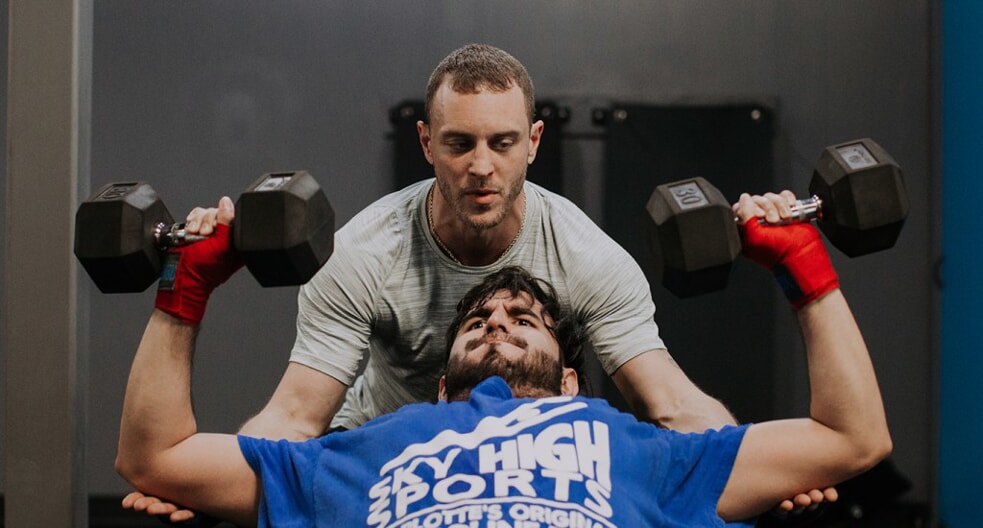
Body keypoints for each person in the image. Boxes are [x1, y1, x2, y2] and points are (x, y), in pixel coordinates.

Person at [123, 43, 833, 521]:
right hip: (383, 451)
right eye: (459, 144)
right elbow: (294, 420)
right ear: (428, 142)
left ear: (532, 143)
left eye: (500, 143)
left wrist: (752, 473)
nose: (481, 167)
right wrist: (218, 488)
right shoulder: (363, 254)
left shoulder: (588, 258)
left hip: (532, 460)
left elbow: (673, 404)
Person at [115, 191, 891, 527]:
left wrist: (806, 271)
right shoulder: (366, 450)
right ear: (444, 385)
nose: (497, 322)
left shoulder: (643, 453)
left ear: (570, 382)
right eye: (479, 318)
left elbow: (852, 440)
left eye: (524, 317)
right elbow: (155, 457)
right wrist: (183, 287)